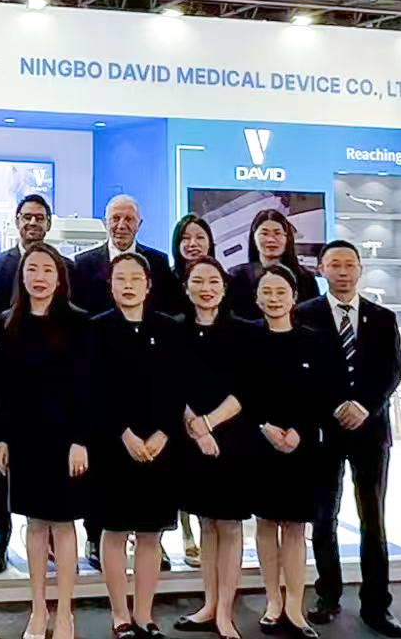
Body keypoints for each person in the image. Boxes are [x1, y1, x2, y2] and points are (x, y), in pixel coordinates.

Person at [301, 241, 401, 639]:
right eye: (335, 264)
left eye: (349, 265)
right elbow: (305, 372)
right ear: (321, 269)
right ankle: (327, 595)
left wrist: (364, 405)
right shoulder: (305, 314)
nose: (343, 272)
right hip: (325, 431)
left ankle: (377, 606)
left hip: (371, 430)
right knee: (323, 517)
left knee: (372, 520)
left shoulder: (382, 318)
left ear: (360, 270)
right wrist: (334, 406)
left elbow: (391, 371)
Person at [238, 265, 346, 639]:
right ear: (256, 298)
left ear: (294, 297)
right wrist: (265, 427)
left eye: (281, 291)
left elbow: (324, 394)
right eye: (266, 292)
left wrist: (300, 431)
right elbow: (242, 392)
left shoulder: (315, 340)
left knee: (296, 529)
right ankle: (272, 602)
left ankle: (295, 607)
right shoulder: (247, 338)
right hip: (261, 442)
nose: (274, 298)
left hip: (303, 445)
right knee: (267, 525)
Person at [0, 242, 91, 639]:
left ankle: (65, 612)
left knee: (64, 525)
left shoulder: (79, 322)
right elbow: (4, 389)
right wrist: (1, 439)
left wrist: (81, 440)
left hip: (66, 439)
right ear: (22, 276)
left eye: (47, 270)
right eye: (31, 269)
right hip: (25, 437)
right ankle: (38, 610)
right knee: (34, 524)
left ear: (59, 278)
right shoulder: (8, 323)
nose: (39, 277)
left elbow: (86, 387)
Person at [91, 251, 183, 639]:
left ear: (149, 286)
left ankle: (144, 615)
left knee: (150, 534)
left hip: (160, 445)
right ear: (110, 286)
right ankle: (120, 615)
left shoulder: (169, 329)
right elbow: (93, 390)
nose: (128, 285)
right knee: (113, 531)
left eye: (135, 279)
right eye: (120, 279)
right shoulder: (96, 329)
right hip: (113, 445)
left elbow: (177, 388)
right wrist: (124, 434)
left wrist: (164, 433)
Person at [0, 194, 64, 573]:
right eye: (26, 217)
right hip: (13, 378)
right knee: (3, 470)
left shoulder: (65, 265)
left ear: (48, 223)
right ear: (16, 221)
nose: (32, 223)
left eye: (39, 217)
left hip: (53, 387)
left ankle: (50, 539)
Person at [173, 257, 250, 639]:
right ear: (186, 288)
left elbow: (247, 388)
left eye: (213, 281)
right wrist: (195, 427)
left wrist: (209, 424)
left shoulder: (241, 331)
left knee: (230, 526)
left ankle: (225, 612)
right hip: (192, 440)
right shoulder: (175, 330)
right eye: (198, 281)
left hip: (231, 437)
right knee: (205, 523)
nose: (206, 288)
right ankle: (208, 604)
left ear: (224, 287)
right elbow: (172, 385)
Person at [170, 213, 217, 570]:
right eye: (185, 238)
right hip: (176, 393)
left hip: (215, 398)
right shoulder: (165, 280)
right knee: (179, 469)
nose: (192, 243)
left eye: (199, 237)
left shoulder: (220, 280)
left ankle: (207, 533)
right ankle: (186, 534)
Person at [73, 194, 178, 318]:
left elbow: (166, 309)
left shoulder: (158, 262)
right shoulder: (83, 264)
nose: (121, 226)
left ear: (139, 225)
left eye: (129, 219)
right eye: (115, 218)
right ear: (105, 223)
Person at [226, 209, 321, 320]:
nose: (271, 239)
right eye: (264, 233)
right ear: (254, 237)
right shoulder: (237, 276)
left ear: (287, 237)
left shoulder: (305, 279)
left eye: (277, 233)